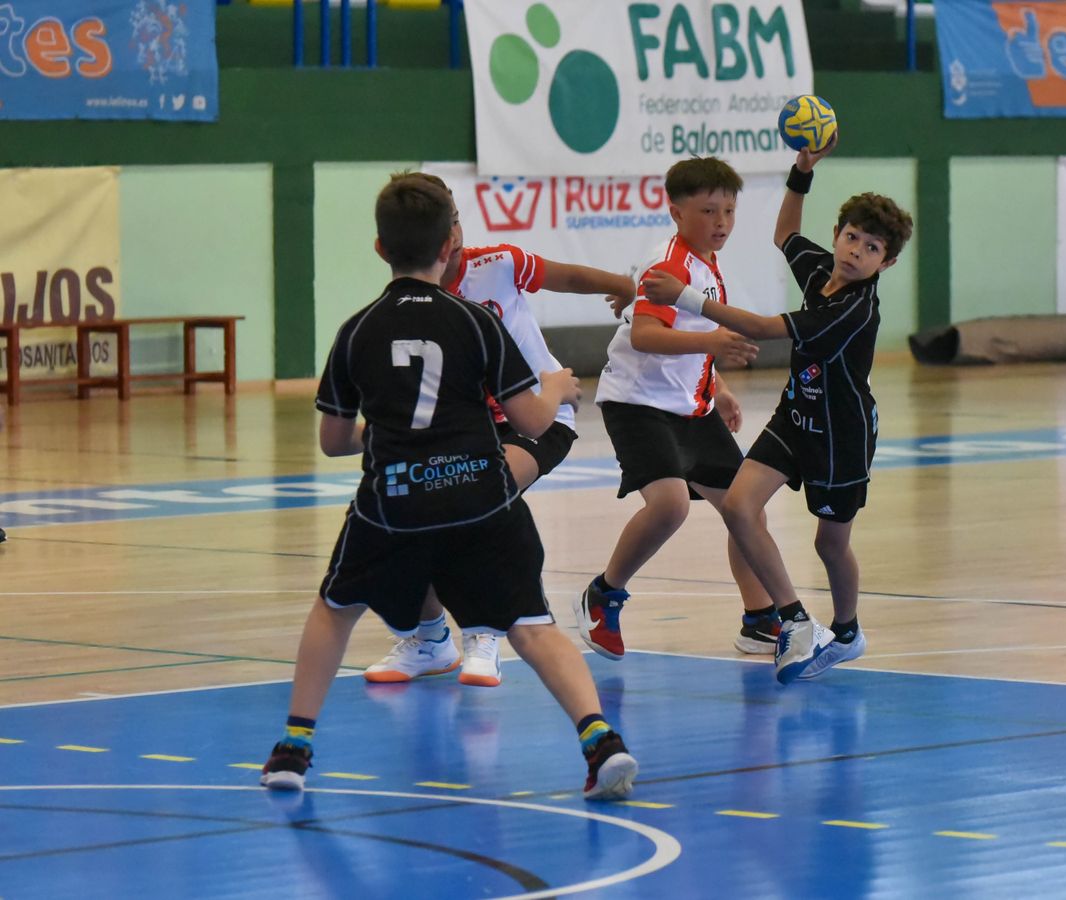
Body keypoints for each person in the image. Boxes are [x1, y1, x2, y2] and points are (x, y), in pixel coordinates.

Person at [260, 173, 637, 800]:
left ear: (380, 248)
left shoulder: (356, 331)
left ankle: (294, 747)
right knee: (533, 624)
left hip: (395, 506)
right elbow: (532, 421)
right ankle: (601, 741)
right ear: (451, 242)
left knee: (335, 610)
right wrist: (561, 387)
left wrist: (383, 437)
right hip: (479, 500)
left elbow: (332, 440)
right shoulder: (475, 323)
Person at [641, 138, 914, 684]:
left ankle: (848, 629)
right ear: (838, 234)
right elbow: (784, 232)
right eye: (852, 237)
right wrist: (801, 170)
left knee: (829, 543)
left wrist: (685, 298)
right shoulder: (822, 271)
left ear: (887, 261)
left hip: (842, 435)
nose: (856, 250)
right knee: (740, 507)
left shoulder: (853, 308)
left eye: (872, 248)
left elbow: (765, 330)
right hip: (796, 416)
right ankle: (791, 618)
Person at [361, 173, 635, 689]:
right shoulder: (406, 301)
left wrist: (622, 286)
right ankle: (430, 638)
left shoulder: (498, 263)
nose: (456, 232)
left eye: (458, 219)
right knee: (426, 506)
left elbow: (567, 276)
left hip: (538, 414)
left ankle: (484, 631)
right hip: (468, 427)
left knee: (481, 492)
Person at [574, 156, 776, 660]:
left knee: (744, 508)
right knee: (670, 505)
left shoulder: (707, 265)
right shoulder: (670, 266)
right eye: (709, 211)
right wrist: (712, 346)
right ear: (676, 212)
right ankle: (604, 594)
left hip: (691, 407)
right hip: (637, 403)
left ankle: (759, 620)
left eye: (729, 210)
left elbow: (695, 338)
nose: (722, 222)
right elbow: (645, 335)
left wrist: (719, 387)